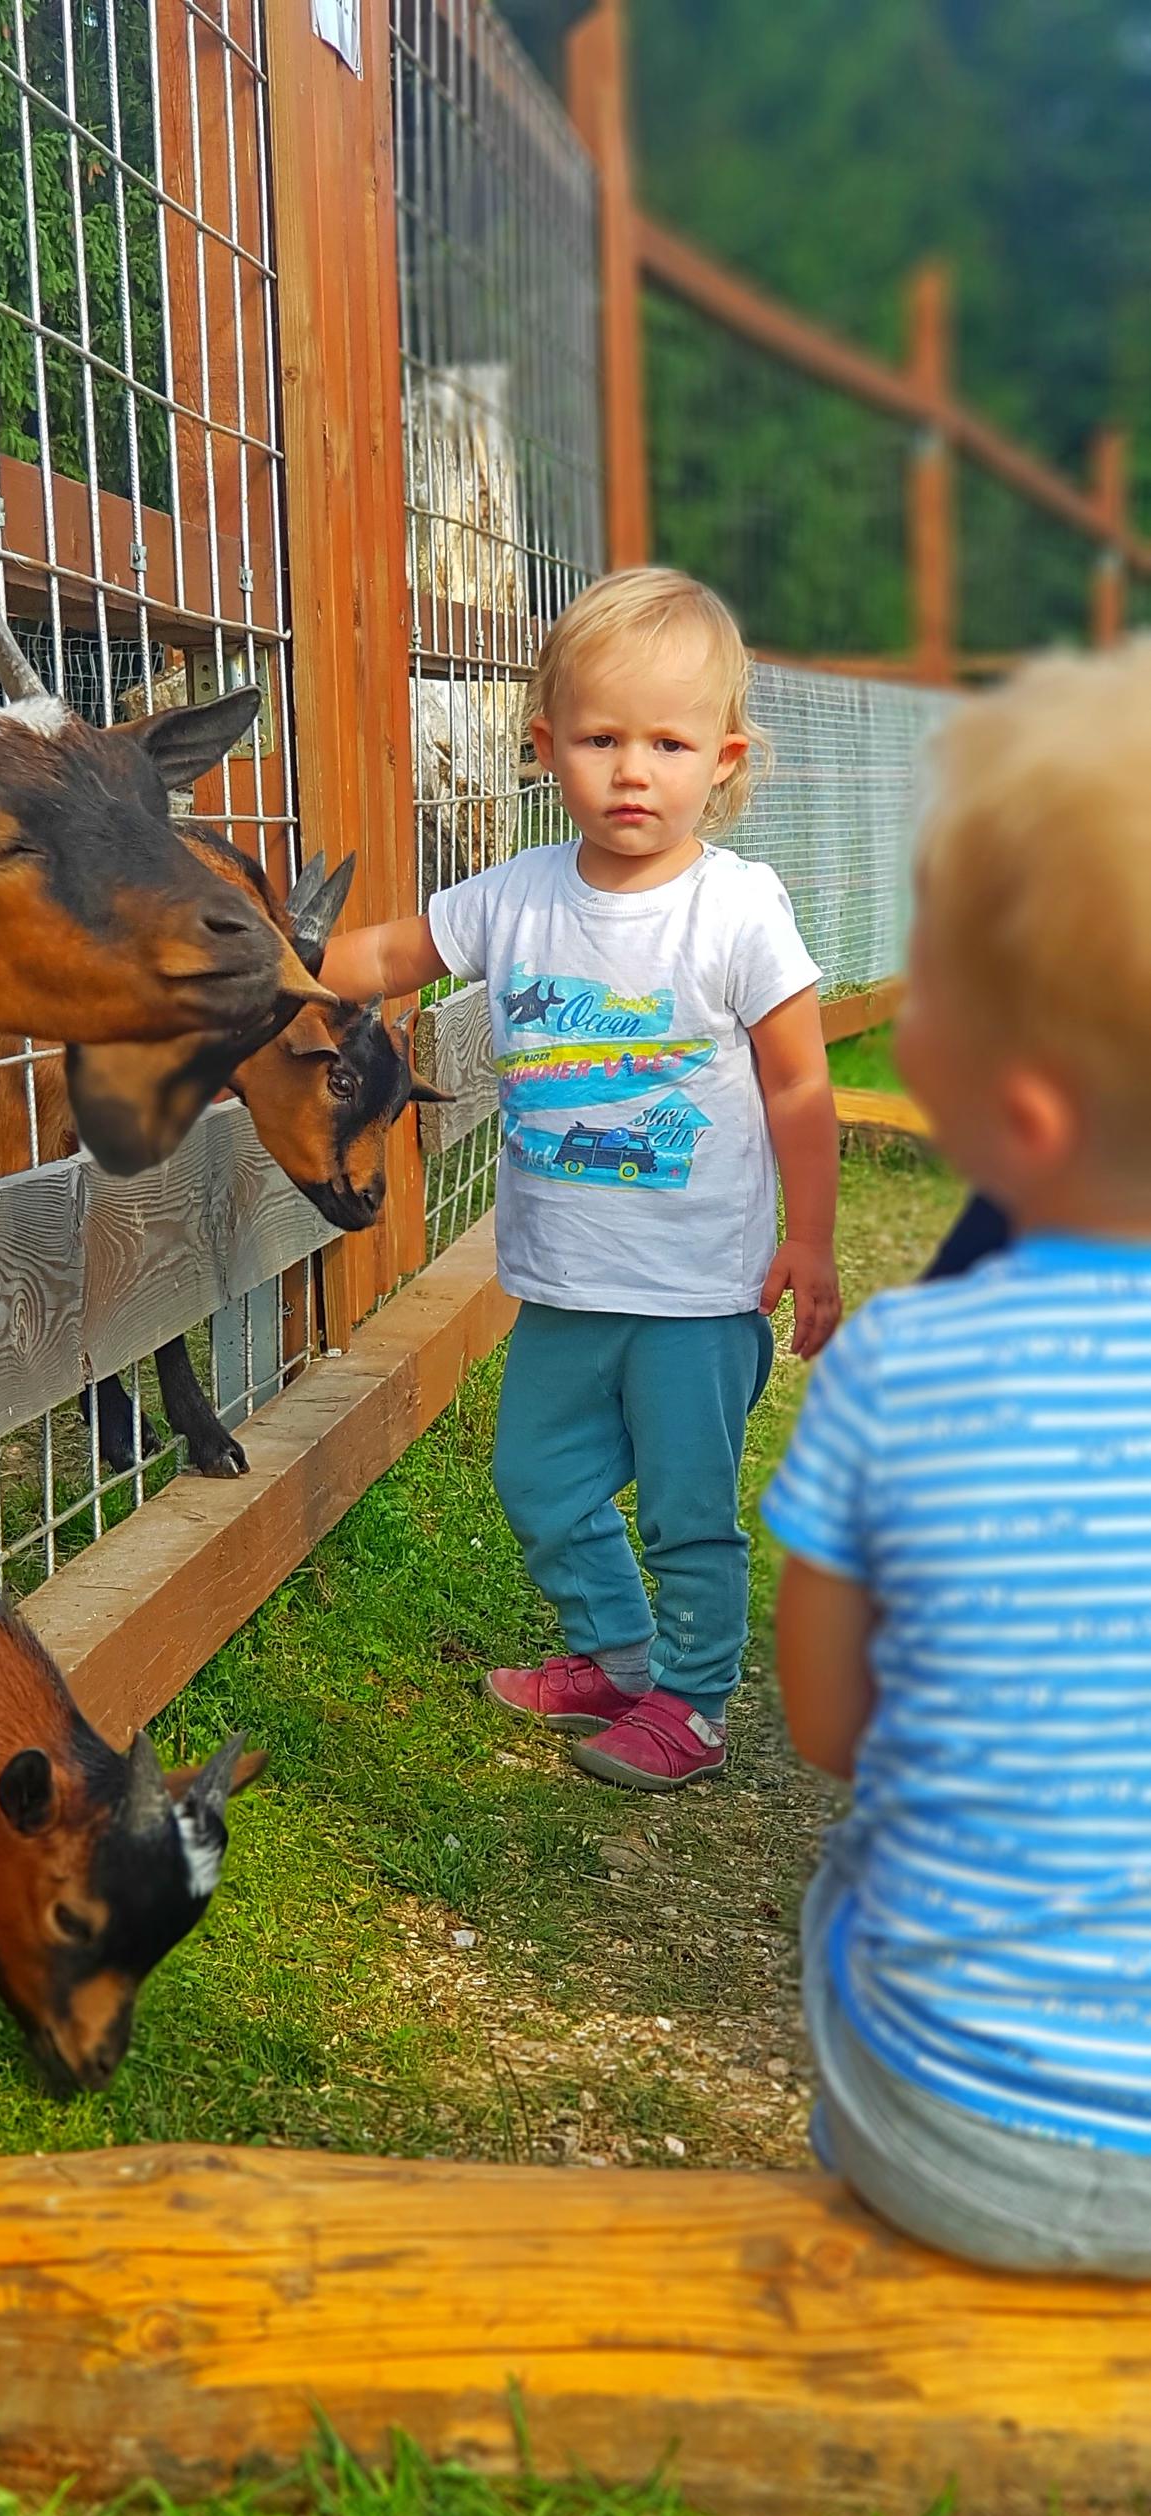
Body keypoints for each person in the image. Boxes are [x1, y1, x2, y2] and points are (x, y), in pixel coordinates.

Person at [324, 566, 840, 1790]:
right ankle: (617, 1657)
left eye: (668, 743)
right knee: (539, 1480)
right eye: (602, 740)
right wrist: (260, 971)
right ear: (546, 744)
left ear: (723, 758)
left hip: (697, 1293)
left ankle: (693, 1704)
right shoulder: (516, 896)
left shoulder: (736, 910)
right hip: (564, 1281)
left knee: (687, 1509)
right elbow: (388, 953)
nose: (632, 771)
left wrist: (810, 1238)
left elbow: (798, 1088)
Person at [764, 641, 1151, 2273]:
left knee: (858, 1869)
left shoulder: (896, 1369)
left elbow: (827, 1728)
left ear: (1023, 1120)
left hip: (956, 2149)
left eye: (921, 997)